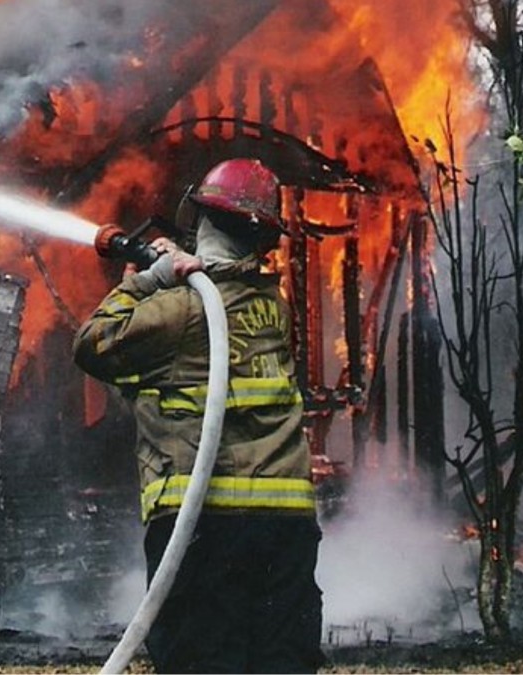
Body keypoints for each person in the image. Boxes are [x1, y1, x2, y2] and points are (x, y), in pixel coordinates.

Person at [73, 158, 323, 673]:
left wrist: (148, 282)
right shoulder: (272, 308)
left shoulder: (179, 311)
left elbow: (93, 344)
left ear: (201, 216)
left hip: (203, 526)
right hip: (286, 530)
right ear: (262, 239)